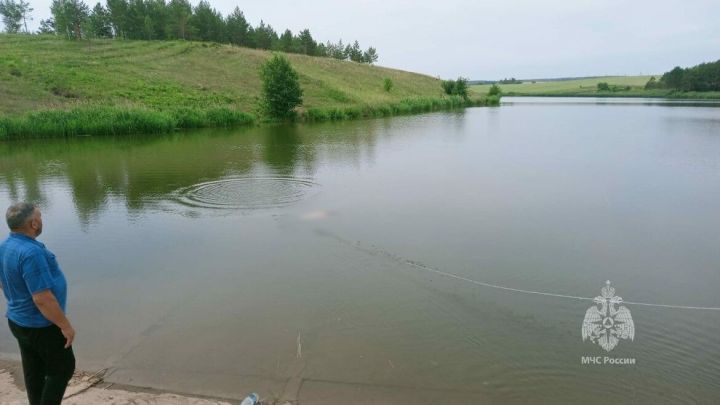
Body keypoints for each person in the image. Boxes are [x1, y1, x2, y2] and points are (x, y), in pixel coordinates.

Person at [0, 202, 76, 405]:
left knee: (34, 369)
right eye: (40, 217)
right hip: (40, 325)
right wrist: (65, 326)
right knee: (63, 368)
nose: (41, 220)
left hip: (18, 321)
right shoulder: (31, 253)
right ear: (34, 223)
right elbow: (42, 299)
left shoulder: (5, 246)